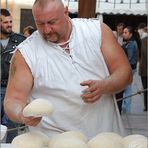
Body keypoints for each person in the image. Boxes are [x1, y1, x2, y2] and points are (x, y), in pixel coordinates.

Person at [4, 0, 132, 140]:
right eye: (40, 24)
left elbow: (124, 72)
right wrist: (22, 114)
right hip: (55, 140)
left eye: (52, 22)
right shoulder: (25, 53)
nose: (46, 30)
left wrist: (106, 85)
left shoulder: (97, 31)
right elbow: (13, 100)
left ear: (65, 12)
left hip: (106, 136)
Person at [0, 9, 26, 142]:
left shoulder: (21, 41)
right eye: (5, 22)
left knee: (11, 125)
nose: (9, 24)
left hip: (13, 89)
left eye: (10, 21)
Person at [122, 26, 139, 113]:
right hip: (131, 67)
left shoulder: (131, 44)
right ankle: (126, 107)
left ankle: (127, 108)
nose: (123, 34)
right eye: (123, 32)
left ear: (131, 34)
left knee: (127, 87)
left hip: (130, 68)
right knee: (127, 87)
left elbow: (129, 57)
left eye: (126, 32)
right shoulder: (129, 43)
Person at [139, 36, 147, 111]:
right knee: (145, 89)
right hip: (144, 70)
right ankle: (146, 106)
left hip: (144, 69)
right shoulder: (144, 40)